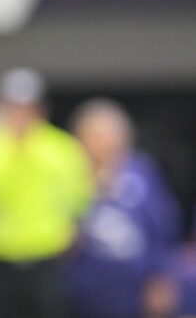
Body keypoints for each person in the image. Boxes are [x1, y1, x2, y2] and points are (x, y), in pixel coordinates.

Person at [0, 68, 94, 318]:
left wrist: (71, 234)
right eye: (13, 107)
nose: (19, 116)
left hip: (46, 258)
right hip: (0, 257)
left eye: (26, 108)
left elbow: (81, 199)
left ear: (40, 110)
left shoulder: (62, 148)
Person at [65, 98, 181, 318]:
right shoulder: (68, 173)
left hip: (133, 289)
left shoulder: (141, 172)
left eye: (110, 135)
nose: (104, 143)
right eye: (95, 136)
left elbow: (163, 225)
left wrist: (161, 276)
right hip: (82, 287)